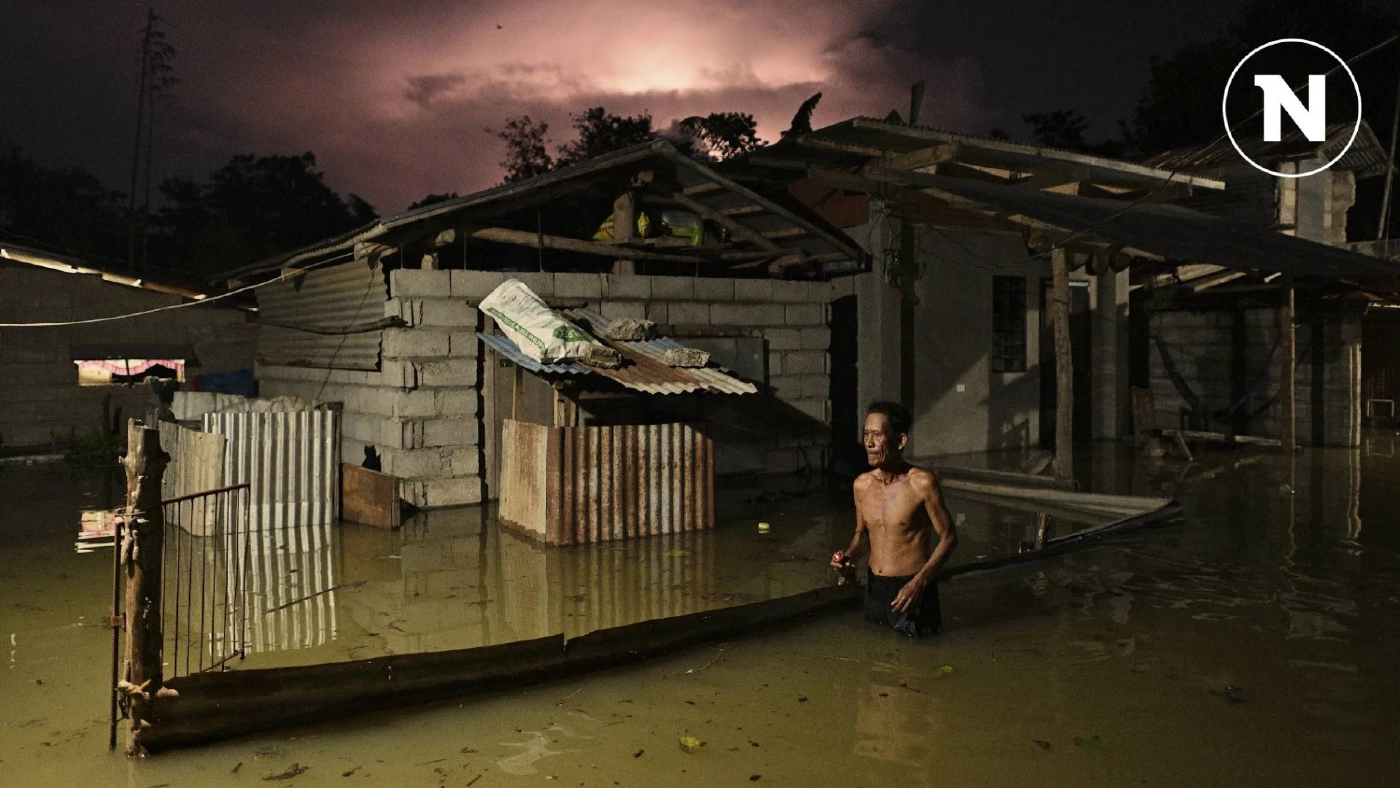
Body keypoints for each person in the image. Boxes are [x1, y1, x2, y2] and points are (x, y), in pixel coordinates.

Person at [831, 401, 957, 638]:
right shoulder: (861, 485)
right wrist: (848, 558)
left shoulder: (922, 483)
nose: (869, 443)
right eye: (866, 434)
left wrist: (919, 583)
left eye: (877, 435)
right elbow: (863, 535)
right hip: (876, 588)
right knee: (875, 649)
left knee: (920, 655)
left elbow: (949, 538)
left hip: (912, 588)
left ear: (900, 441)